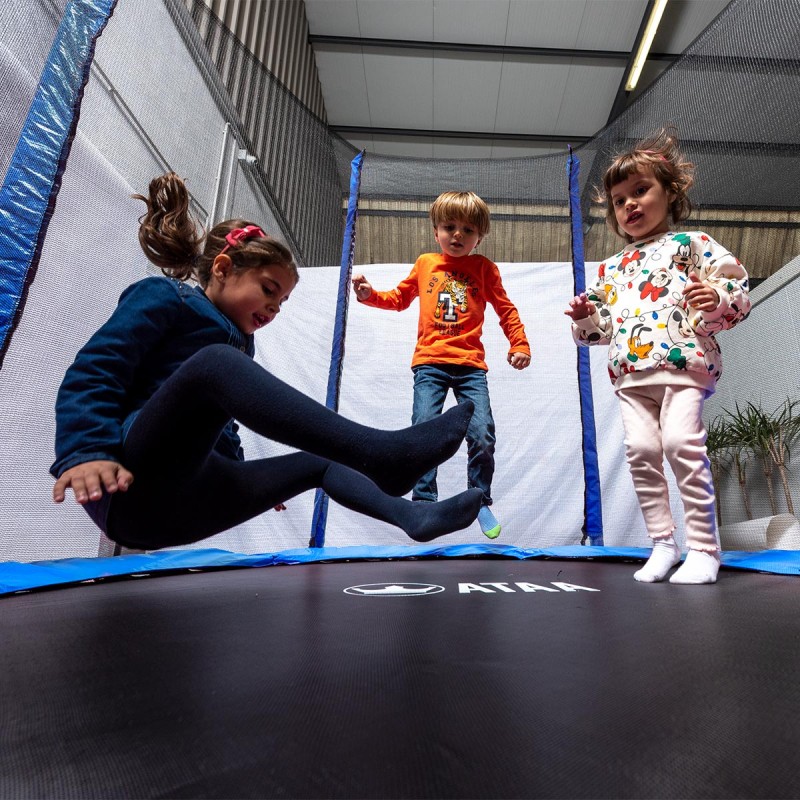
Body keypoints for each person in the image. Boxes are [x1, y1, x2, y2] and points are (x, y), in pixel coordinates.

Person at [51, 172, 485, 550]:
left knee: (317, 462)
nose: (275, 308)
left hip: (187, 506)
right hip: (128, 488)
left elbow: (220, 428)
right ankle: (382, 453)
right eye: (268, 289)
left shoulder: (237, 344)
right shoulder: (168, 298)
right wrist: (85, 451)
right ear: (222, 268)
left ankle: (414, 518)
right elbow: (95, 369)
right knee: (215, 364)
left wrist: (246, 480)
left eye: (283, 300)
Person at [565, 129, 750, 584]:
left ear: (670, 193)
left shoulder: (692, 245)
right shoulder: (611, 269)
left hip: (683, 365)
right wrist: (585, 317)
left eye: (640, 191)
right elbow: (596, 334)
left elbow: (737, 289)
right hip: (630, 375)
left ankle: (704, 549)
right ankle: (664, 545)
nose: (628, 204)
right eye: (618, 199)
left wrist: (715, 296)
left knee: (681, 445)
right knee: (642, 451)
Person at [352, 191, 531, 540]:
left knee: (482, 434)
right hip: (430, 363)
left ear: (480, 235)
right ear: (436, 232)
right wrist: (369, 295)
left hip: (470, 367)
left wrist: (519, 343)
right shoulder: (425, 264)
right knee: (424, 430)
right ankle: (423, 501)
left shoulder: (484, 268)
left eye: (468, 229)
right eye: (449, 227)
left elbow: (505, 309)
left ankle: (478, 498)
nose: (458, 235)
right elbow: (400, 299)